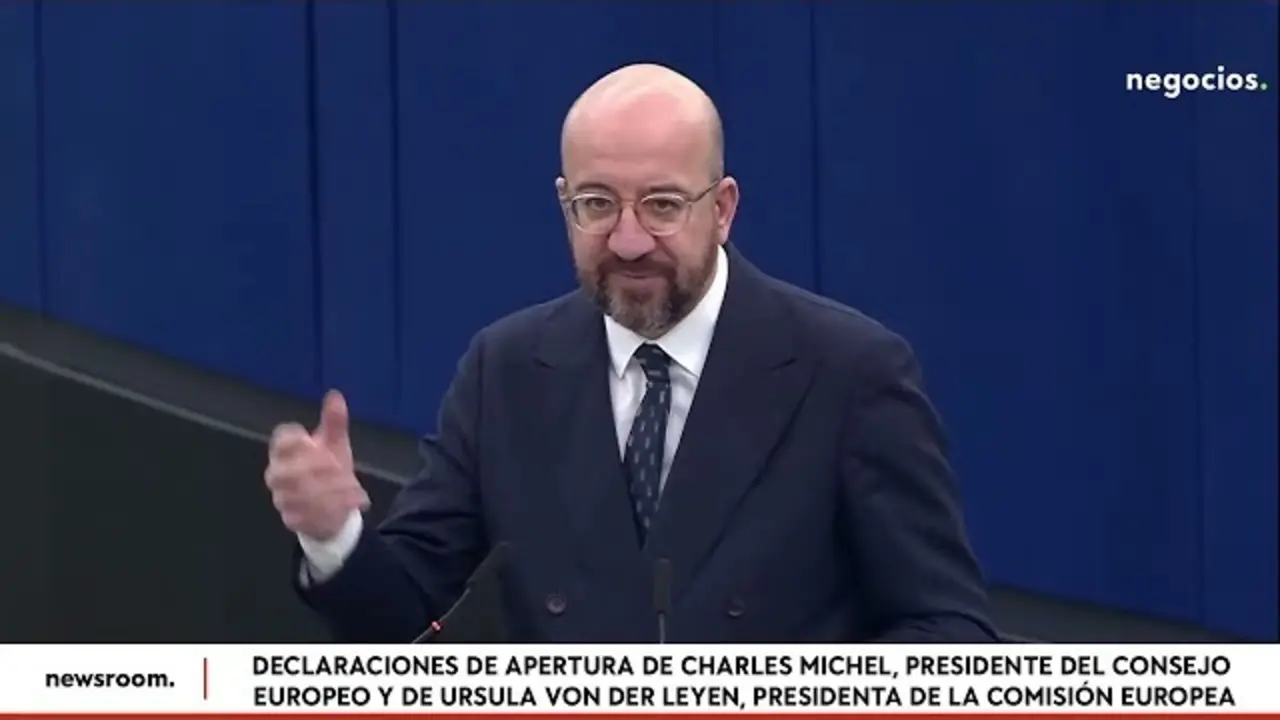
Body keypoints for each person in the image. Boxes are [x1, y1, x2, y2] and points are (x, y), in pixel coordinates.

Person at [265, 63, 998, 643]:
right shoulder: (507, 371)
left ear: (723, 208)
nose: (628, 239)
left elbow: (949, 633)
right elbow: (399, 616)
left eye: (662, 205)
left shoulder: (849, 371)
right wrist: (334, 536)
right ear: (564, 203)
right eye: (596, 204)